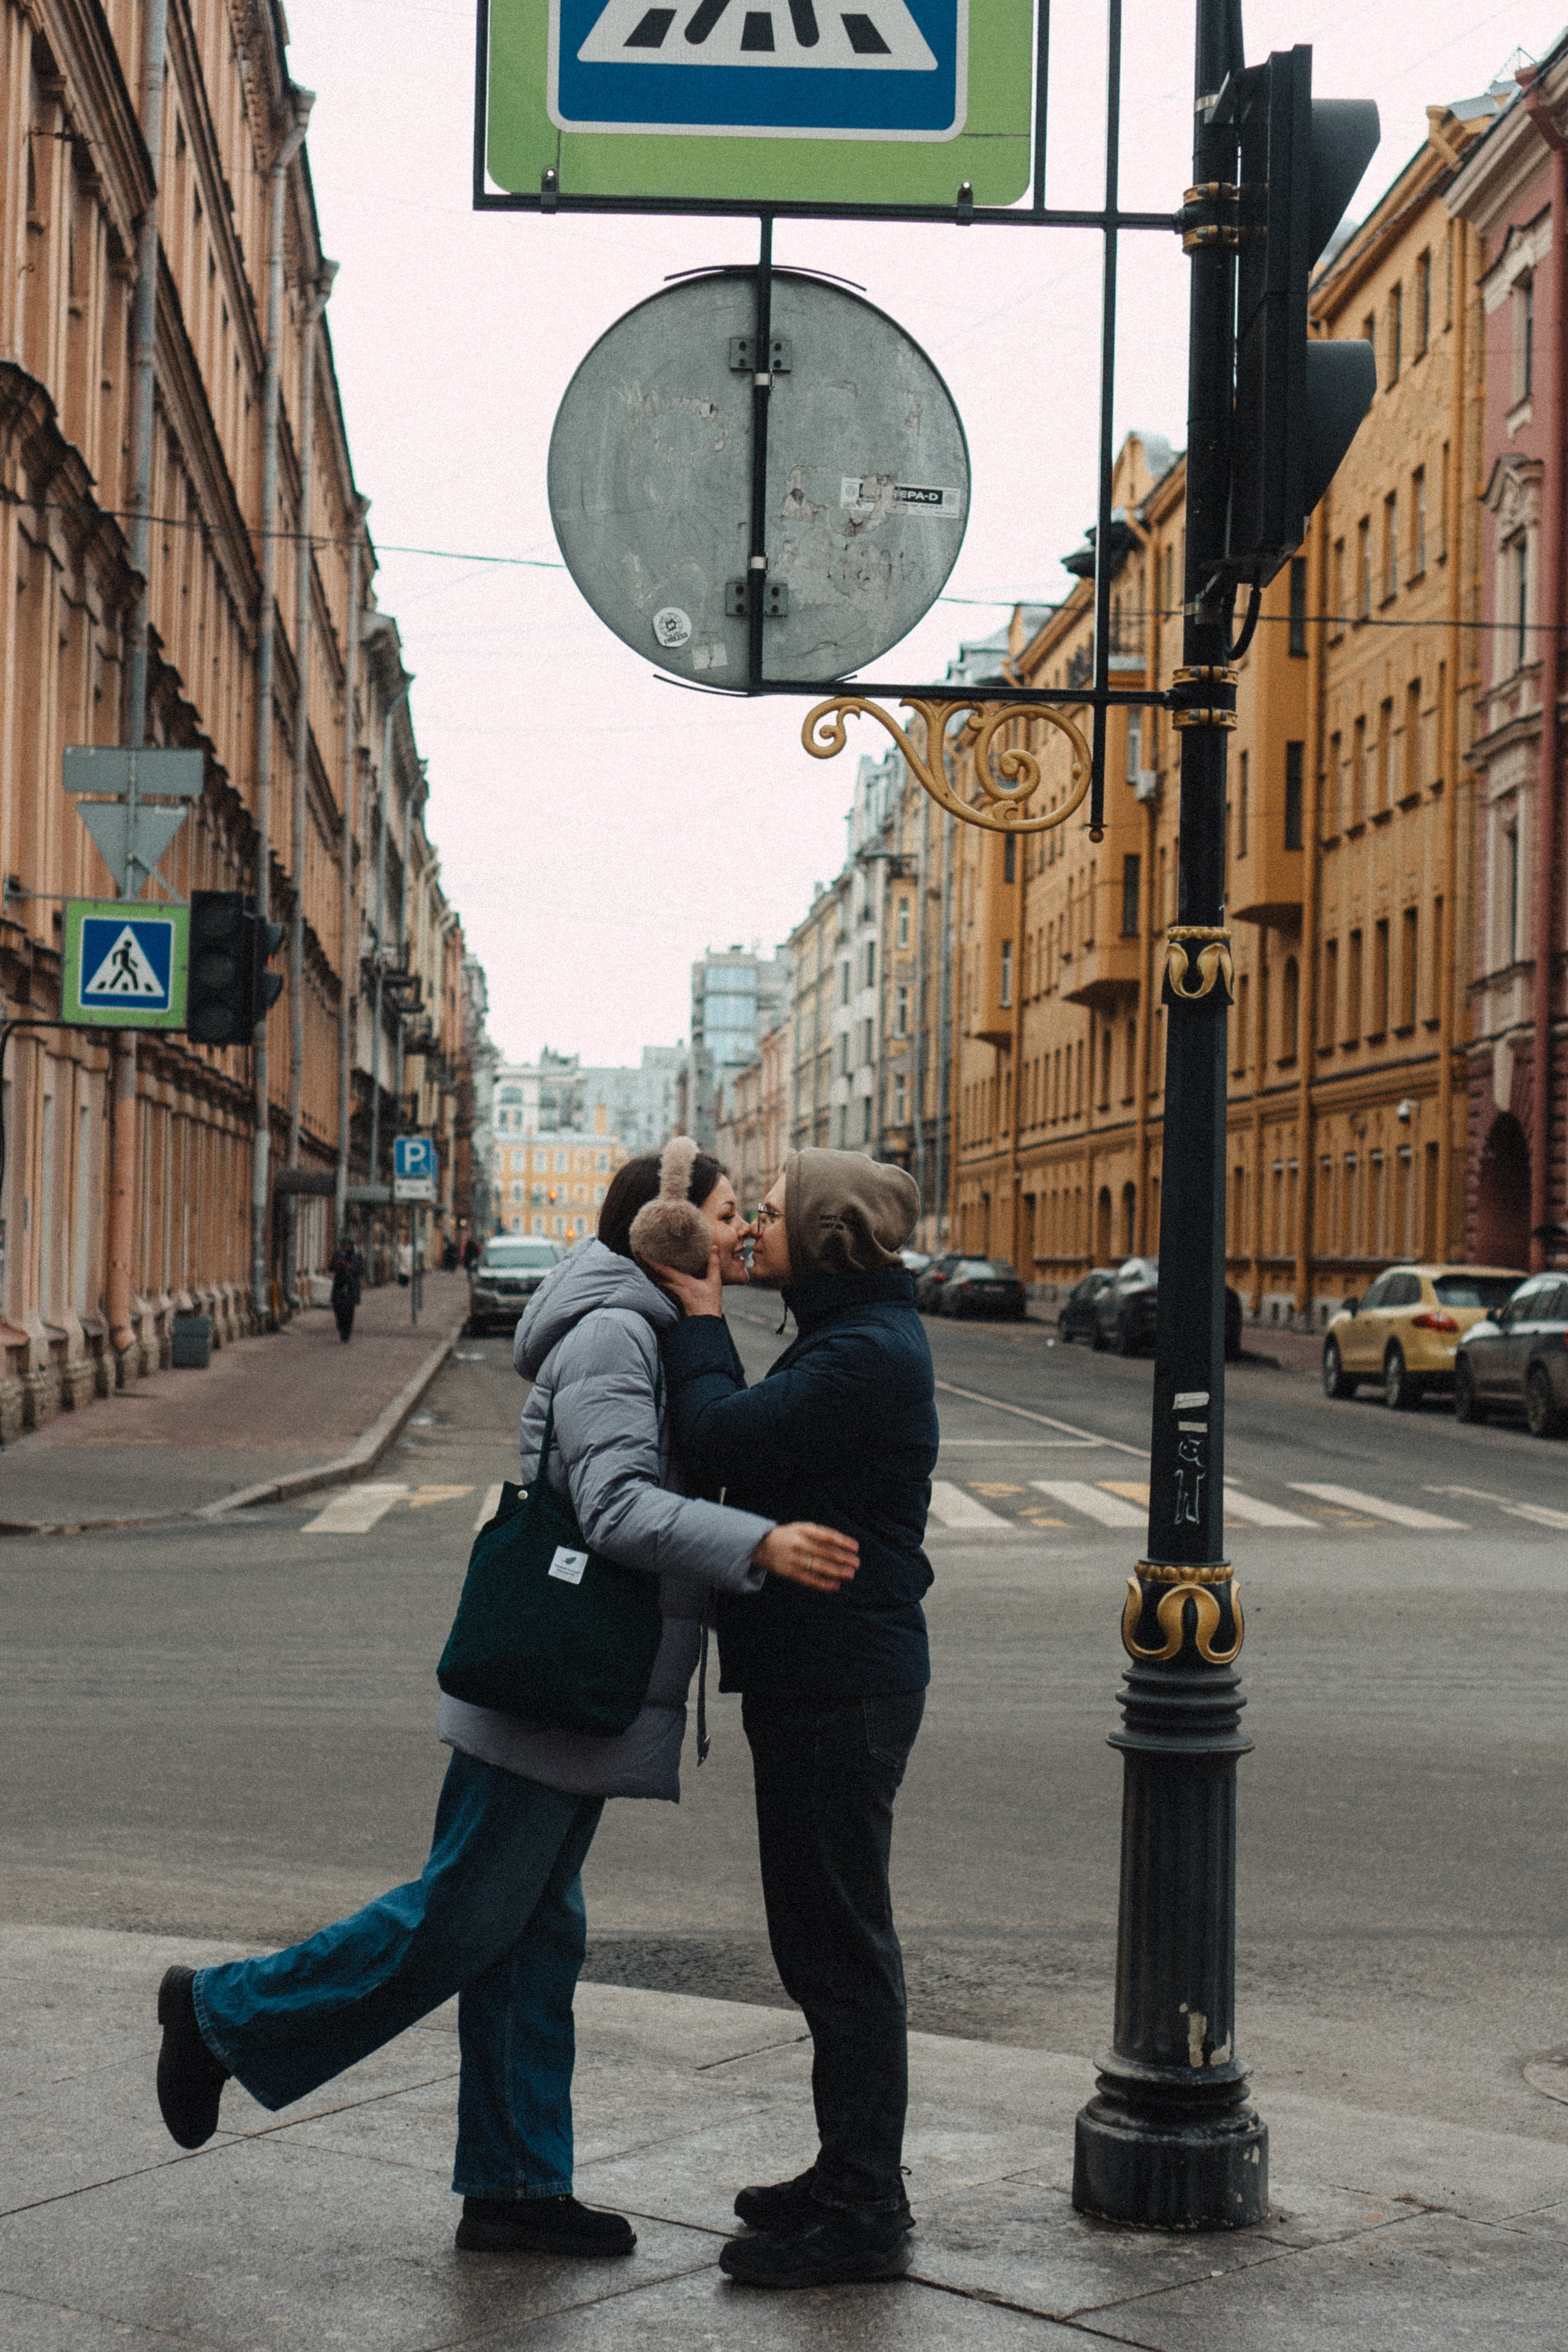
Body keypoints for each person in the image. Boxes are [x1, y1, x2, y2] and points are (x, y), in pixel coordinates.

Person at [153, 1137, 856, 2261]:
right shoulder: (618, 1334)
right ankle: (219, 2016)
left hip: (583, 1676)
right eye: (727, 1214)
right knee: (463, 1918)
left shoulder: (652, 1325)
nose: (740, 1234)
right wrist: (757, 1543)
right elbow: (616, 1506)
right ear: (669, 1230)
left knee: (533, 1935)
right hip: (555, 1672)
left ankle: (515, 2184)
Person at [650, 1148, 936, 2292]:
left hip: (841, 1681)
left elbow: (723, 1436)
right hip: (824, 1673)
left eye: (770, 1214)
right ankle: (847, 2175)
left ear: (826, 1237)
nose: (751, 1228)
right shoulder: (847, 1333)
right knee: (821, 1945)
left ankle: (864, 2211)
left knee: (842, 1952)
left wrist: (701, 1317)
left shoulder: (863, 1353)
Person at [328, 1234, 363, 1345]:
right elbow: (331, 1268)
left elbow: (359, 1271)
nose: (347, 1247)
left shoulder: (357, 1256)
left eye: (349, 1245)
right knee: (338, 1309)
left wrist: (348, 1265)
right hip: (339, 1286)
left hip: (351, 1287)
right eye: (345, 1245)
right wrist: (337, 1264)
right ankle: (340, 1327)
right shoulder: (338, 1254)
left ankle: (346, 1333)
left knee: (349, 1312)